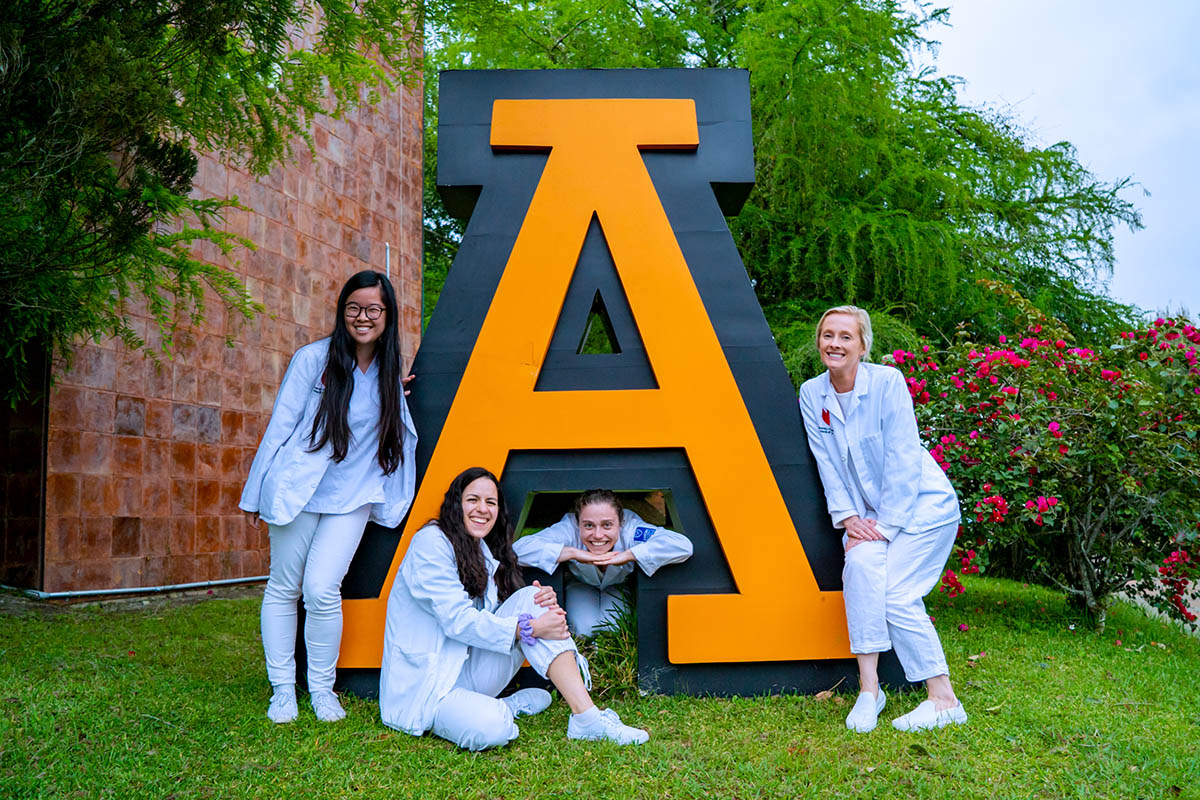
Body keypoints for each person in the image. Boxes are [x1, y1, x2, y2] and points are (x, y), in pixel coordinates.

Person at [240, 270, 417, 724]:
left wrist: (398, 388)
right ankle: (283, 689)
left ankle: (321, 689)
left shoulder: (389, 369)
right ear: (343, 312)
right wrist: (255, 494)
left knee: (322, 589)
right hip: (298, 491)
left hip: (353, 497)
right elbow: (280, 426)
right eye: (354, 308)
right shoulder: (312, 360)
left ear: (387, 315)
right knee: (284, 588)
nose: (363, 317)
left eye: (373, 309)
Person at [380, 467, 650, 750]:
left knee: (533, 598)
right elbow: (456, 620)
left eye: (491, 502)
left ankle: (587, 718)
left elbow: (493, 613)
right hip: (428, 688)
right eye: (473, 500)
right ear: (455, 503)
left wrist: (535, 599)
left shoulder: (480, 548)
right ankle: (504, 707)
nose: (482, 509)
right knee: (494, 728)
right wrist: (530, 628)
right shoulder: (431, 542)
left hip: (468, 670)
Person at [797, 305, 966, 733]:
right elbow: (827, 463)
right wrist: (851, 518)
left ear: (863, 345)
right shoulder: (811, 394)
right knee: (859, 567)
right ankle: (869, 691)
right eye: (828, 335)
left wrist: (884, 529)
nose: (835, 343)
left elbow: (904, 458)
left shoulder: (888, 383)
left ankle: (943, 699)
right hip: (868, 515)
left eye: (845, 337)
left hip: (923, 508)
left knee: (896, 595)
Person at [513, 489, 693, 637]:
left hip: (619, 585)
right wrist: (573, 552)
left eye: (607, 525)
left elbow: (682, 546)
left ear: (620, 523)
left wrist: (630, 554)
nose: (598, 535)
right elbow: (518, 551)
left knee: (612, 629)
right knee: (584, 630)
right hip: (580, 584)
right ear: (578, 523)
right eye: (589, 526)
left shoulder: (631, 529)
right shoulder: (569, 528)